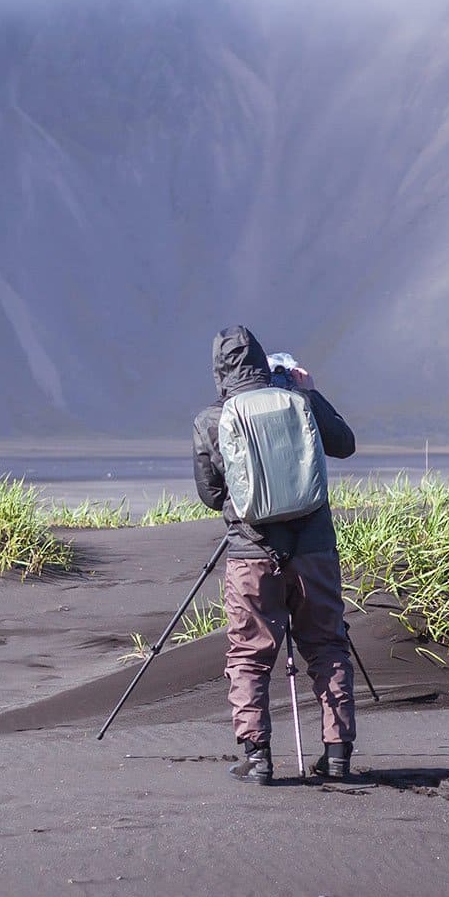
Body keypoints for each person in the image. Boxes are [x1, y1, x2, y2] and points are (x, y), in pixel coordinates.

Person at [192, 325, 357, 785]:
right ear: (267, 364)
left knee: (249, 654)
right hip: (315, 550)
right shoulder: (299, 401)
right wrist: (310, 391)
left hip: (252, 554)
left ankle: (257, 758)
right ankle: (339, 754)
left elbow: (209, 495)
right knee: (327, 646)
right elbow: (344, 444)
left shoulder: (211, 419)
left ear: (220, 372)